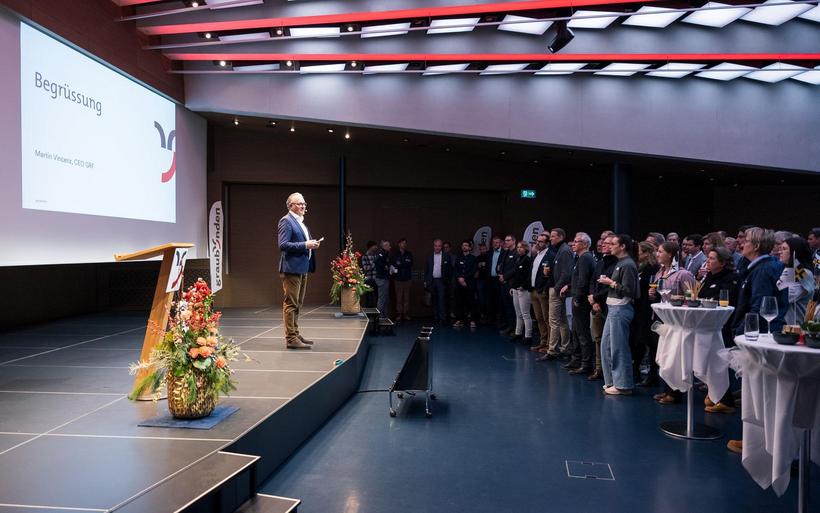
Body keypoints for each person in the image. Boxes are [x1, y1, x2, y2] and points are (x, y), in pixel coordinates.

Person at [650, 242, 695, 404]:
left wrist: (679, 299)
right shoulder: (660, 272)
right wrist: (652, 293)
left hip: (677, 320)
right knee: (664, 353)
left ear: (670, 254)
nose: (657, 254)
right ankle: (667, 388)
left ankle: (675, 392)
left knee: (674, 355)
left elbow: (692, 297)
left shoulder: (683, 274)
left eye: (660, 251)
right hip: (662, 318)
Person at [698, 247, 740, 414]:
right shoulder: (710, 276)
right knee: (711, 361)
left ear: (722, 262)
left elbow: (727, 300)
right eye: (708, 258)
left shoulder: (731, 278)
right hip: (708, 323)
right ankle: (716, 394)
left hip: (723, 324)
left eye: (712, 258)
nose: (708, 261)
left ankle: (726, 399)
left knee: (720, 362)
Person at [277, 192, 321, 350]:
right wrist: (305, 245)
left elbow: (302, 242)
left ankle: (295, 333)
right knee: (291, 303)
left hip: (302, 267)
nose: (303, 206)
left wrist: (312, 244)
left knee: (298, 303)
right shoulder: (286, 221)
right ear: (290, 206)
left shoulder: (301, 222)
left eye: (304, 204)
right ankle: (291, 338)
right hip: (291, 268)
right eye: (299, 204)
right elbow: (283, 245)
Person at [597, 234, 640, 395]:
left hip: (621, 309)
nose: (610, 246)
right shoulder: (620, 263)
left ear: (622, 247)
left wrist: (611, 283)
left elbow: (629, 291)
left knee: (618, 347)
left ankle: (624, 385)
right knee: (606, 345)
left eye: (613, 243)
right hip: (613, 308)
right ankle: (612, 381)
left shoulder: (627, 265)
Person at [732, 227, 788, 338]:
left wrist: (740, 332)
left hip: (756, 334)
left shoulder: (762, 270)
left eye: (746, 241)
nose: (742, 244)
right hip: (766, 330)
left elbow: (759, 307)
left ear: (756, 246)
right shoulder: (767, 265)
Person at [587, 234, 618, 379]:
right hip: (596, 305)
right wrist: (593, 300)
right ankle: (599, 369)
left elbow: (612, 286)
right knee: (598, 338)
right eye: (603, 243)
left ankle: (611, 372)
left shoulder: (618, 263)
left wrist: (596, 298)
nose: (603, 245)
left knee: (611, 341)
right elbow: (593, 281)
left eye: (607, 243)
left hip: (610, 305)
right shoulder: (601, 261)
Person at [630, 241, 660, 386]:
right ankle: (635, 370)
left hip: (648, 310)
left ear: (647, 253)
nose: (637, 255)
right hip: (638, 309)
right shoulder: (639, 267)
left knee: (650, 342)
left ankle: (652, 375)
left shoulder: (653, 269)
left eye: (640, 252)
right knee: (638, 341)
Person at [566, 232, 595, 374]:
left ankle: (586, 364)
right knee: (577, 331)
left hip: (581, 301)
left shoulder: (585, 258)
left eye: (576, 241)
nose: (573, 243)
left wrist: (577, 298)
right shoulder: (580, 258)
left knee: (582, 333)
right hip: (578, 298)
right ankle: (577, 359)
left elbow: (583, 281)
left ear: (585, 244)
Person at [776, 236, 815, 325]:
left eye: (784, 249)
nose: (779, 252)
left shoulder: (801, 271)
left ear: (795, 252)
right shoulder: (793, 269)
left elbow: (783, 296)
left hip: (795, 327)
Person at [547, 228, 573, 358]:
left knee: (554, 321)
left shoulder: (565, 251)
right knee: (562, 320)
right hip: (558, 288)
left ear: (561, 237)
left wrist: (557, 288)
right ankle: (565, 347)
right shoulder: (561, 250)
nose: (550, 238)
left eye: (553, 236)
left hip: (558, 290)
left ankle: (552, 350)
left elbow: (567, 272)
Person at [506, 241, 534, 343]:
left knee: (525, 313)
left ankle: (528, 336)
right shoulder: (518, 259)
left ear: (526, 249)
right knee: (518, 313)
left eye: (521, 247)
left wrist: (524, 286)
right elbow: (515, 275)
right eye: (518, 247)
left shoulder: (528, 260)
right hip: (516, 289)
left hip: (524, 290)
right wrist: (512, 287)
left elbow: (529, 276)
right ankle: (518, 333)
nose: (519, 249)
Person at [529, 232, 552, 354]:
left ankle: (549, 344)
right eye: (537, 241)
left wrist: (544, 289)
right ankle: (542, 342)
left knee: (546, 318)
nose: (538, 243)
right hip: (533, 290)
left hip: (542, 291)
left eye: (541, 241)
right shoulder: (536, 255)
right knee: (538, 318)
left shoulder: (550, 255)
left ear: (547, 243)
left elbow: (549, 276)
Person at [424, 239, 451, 325]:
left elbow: (449, 270)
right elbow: (427, 270)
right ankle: (436, 318)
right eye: (436, 246)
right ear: (433, 246)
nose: (437, 247)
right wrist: (426, 281)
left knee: (441, 300)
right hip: (432, 281)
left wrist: (447, 281)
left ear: (441, 246)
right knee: (434, 300)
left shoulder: (446, 256)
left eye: (439, 246)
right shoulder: (429, 257)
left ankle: (442, 318)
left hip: (441, 281)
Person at [453, 239, 478, 329]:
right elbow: (455, 269)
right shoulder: (458, 258)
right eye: (463, 245)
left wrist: (465, 279)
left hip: (469, 284)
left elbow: (473, 270)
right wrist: (460, 278)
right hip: (459, 284)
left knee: (471, 302)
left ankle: (472, 320)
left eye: (466, 245)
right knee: (459, 302)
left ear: (470, 247)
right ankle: (459, 320)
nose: (464, 247)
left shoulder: (473, 258)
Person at [392, 238, 414, 322]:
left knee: (406, 298)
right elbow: (394, 265)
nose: (404, 245)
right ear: (399, 244)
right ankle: (399, 314)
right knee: (399, 298)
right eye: (402, 243)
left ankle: (406, 314)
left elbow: (410, 264)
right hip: (398, 279)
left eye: (405, 243)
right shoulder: (395, 254)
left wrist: (401, 264)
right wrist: (403, 263)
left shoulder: (409, 254)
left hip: (407, 279)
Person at [374, 240, 391, 319]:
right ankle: (379, 317)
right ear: (385, 246)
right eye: (388, 246)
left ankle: (384, 316)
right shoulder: (380, 254)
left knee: (386, 298)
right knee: (382, 298)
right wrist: (385, 266)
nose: (390, 247)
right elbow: (377, 261)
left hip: (385, 278)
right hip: (381, 279)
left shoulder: (386, 254)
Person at [360, 240, 378, 308]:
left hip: (376, 279)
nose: (376, 247)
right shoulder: (365, 256)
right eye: (375, 246)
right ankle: (368, 313)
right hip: (368, 280)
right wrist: (374, 264)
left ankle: (376, 313)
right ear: (370, 247)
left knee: (376, 297)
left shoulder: (376, 256)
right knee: (368, 297)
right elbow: (366, 268)